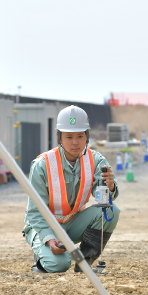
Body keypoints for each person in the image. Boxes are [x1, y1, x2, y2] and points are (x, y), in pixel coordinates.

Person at [22, 105, 121, 273]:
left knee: (111, 211)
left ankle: (85, 262)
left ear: (87, 136)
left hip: (72, 222)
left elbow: (103, 198)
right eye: (69, 136)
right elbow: (35, 211)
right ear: (59, 137)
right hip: (45, 225)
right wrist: (48, 238)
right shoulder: (42, 164)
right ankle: (41, 254)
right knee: (59, 265)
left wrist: (109, 186)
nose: (75, 142)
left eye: (80, 136)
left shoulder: (96, 160)